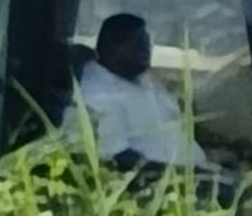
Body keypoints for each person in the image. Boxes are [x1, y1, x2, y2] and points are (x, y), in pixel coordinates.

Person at [68, 12, 207, 170]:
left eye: (147, 43)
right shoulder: (98, 93)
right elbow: (118, 159)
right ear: (113, 47)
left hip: (200, 169)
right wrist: (186, 173)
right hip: (166, 179)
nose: (147, 50)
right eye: (138, 43)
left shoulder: (141, 81)